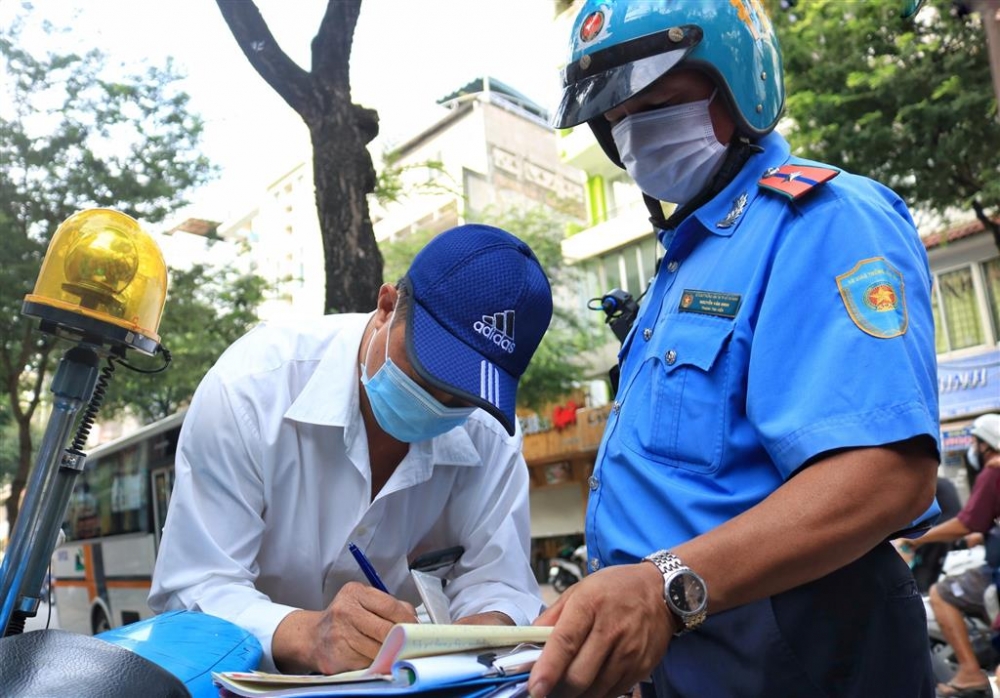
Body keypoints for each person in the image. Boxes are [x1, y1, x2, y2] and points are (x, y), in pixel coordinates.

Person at [529, 2, 940, 697]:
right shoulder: (682, 262)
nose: (634, 134)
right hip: (691, 662)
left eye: (655, 103)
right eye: (616, 118)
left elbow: (887, 473)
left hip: (798, 663)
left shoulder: (823, 220)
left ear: (739, 86)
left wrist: (663, 588)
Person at [149, 224, 553, 674]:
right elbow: (194, 587)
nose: (438, 403)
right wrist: (310, 635)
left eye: (464, 396)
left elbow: (500, 583)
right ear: (386, 308)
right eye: (428, 371)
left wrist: (468, 642)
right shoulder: (250, 391)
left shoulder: (491, 434)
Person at [910, 414, 1000, 698]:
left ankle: (970, 671)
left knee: (942, 594)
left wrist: (914, 540)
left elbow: (965, 522)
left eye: (975, 442)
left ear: (986, 444)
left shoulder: (993, 472)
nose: (973, 449)